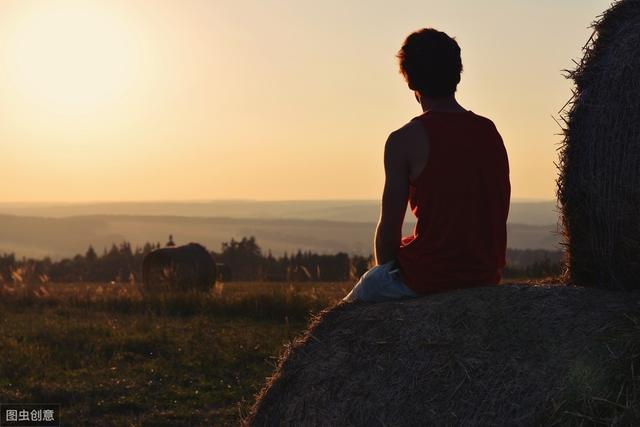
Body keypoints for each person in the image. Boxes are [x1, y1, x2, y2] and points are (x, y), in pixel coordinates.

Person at [344, 28, 510, 303]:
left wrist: (387, 271)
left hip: (430, 276)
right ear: (457, 74)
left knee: (360, 297)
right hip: (484, 275)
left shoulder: (403, 141)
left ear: (410, 81)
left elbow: (389, 231)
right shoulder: (489, 131)